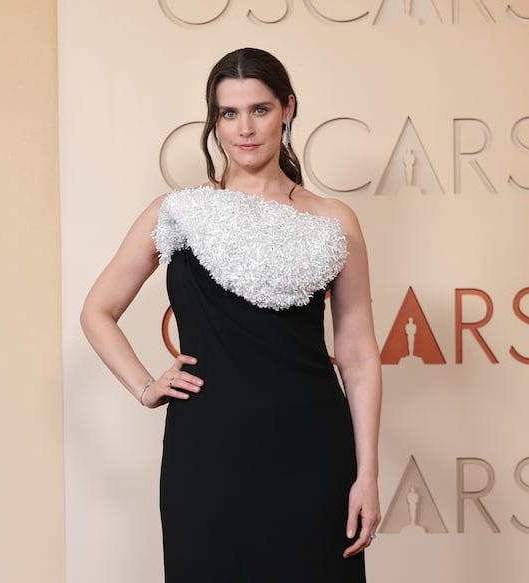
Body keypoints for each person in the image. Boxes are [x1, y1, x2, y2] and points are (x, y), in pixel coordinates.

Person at [81, 47, 382, 583]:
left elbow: (358, 356)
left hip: (312, 449)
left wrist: (368, 474)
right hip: (207, 452)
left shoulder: (334, 220)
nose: (245, 128)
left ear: (288, 109)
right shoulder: (177, 212)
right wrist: (145, 386)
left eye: (260, 110)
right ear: (214, 120)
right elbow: (97, 311)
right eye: (229, 113)